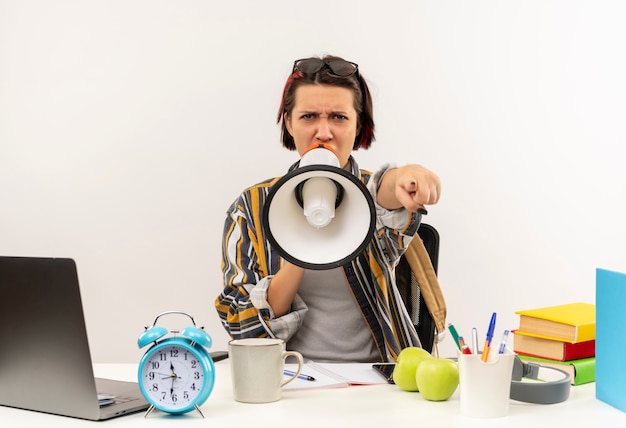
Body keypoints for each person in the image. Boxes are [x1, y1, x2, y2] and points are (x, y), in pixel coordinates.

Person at [215, 55, 441, 363]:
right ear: (289, 122)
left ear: (358, 124)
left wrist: (403, 176)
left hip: (379, 379)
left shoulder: (373, 196)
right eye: (309, 117)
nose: (324, 132)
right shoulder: (251, 207)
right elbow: (241, 327)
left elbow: (385, 195)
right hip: (286, 380)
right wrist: (300, 245)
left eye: (338, 117)